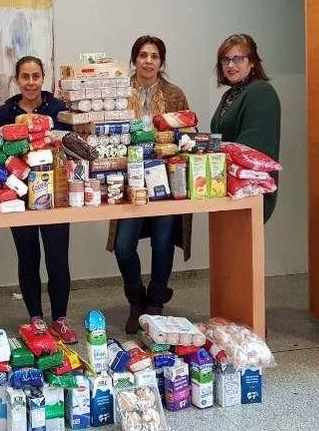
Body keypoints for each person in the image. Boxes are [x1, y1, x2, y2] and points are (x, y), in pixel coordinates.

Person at [107, 35, 193, 334]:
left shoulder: (174, 94)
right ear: (134, 59)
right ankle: (136, 299)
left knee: (163, 240)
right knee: (123, 245)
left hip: (166, 181)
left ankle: (155, 303)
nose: (148, 61)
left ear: (161, 61)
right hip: (129, 178)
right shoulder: (118, 91)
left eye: (154, 56)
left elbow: (187, 134)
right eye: (142, 55)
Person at [0, 55, 77, 344]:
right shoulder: (5, 112)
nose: (30, 82)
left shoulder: (58, 108)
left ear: (44, 77)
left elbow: (72, 148)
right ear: (17, 79)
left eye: (35, 76)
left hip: (55, 196)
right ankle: (36, 319)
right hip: (19, 196)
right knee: (27, 256)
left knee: (58, 258)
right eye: (25, 77)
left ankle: (61, 319)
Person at [210, 33, 281, 222]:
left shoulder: (260, 92)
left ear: (252, 63)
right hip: (229, 189)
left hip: (251, 191)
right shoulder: (230, 95)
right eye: (225, 60)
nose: (230, 65)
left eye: (237, 59)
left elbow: (251, 150)